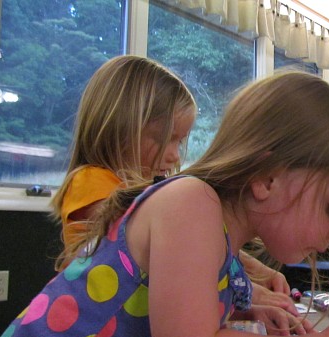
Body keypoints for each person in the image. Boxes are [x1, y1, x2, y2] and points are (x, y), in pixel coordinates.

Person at [0, 71, 329, 337]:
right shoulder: (191, 202)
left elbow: (173, 319)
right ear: (267, 177)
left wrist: (244, 311)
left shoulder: (218, 235)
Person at [50, 55, 294, 311]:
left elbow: (196, 243)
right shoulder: (90, 182)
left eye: (178, 141)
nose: (175, 156)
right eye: (162, 138)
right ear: (118, 127)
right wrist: (249, 291)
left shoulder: (147, 197)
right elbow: (181, 251)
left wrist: (258, 272)